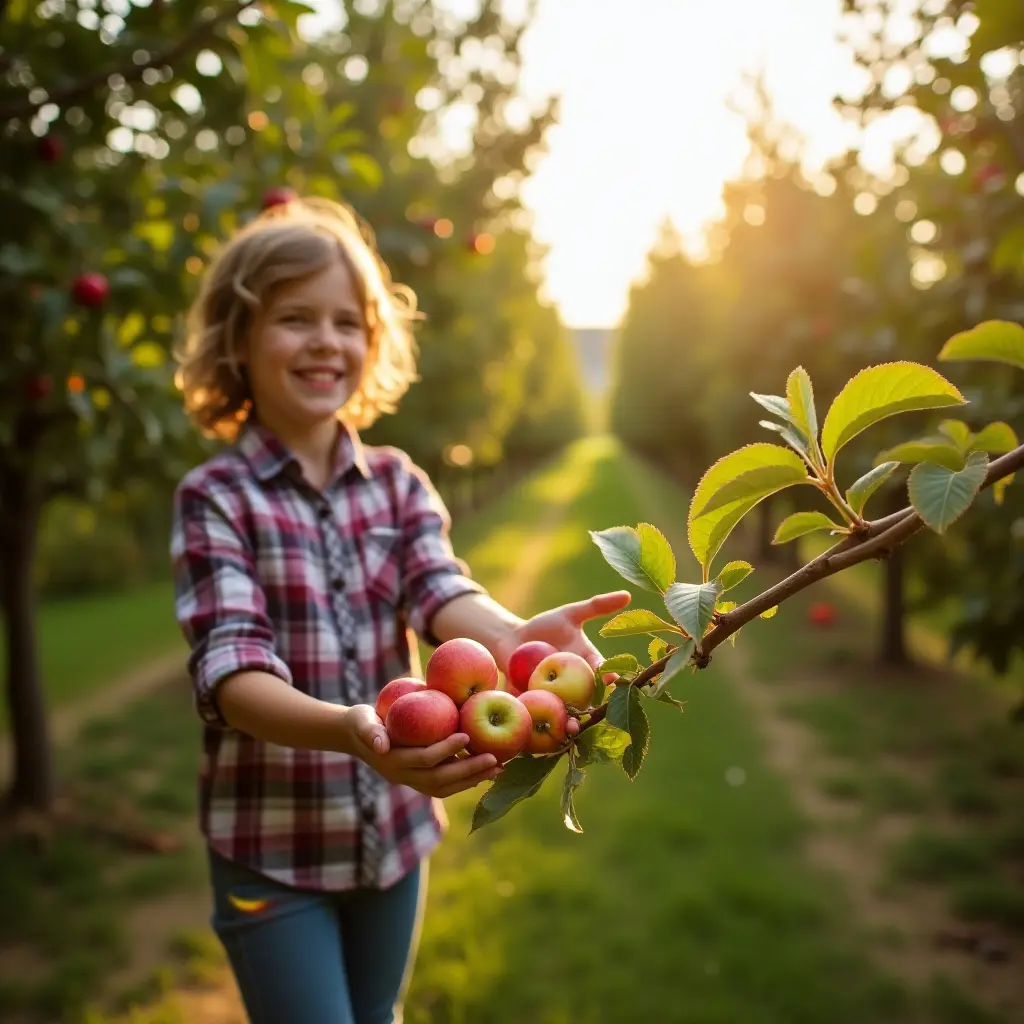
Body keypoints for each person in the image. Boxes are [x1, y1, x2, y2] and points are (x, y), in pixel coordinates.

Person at [169, 195, 630, 1024]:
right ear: (238, 341)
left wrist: (511, 636)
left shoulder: (396, 482)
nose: (325, 341)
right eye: (294, 318)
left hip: (393, 838)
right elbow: (232, 674)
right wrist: (352, 728)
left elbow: (438, 586)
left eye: (347, 321)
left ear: (372, 341)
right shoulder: (216, 498)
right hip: (273, 848)